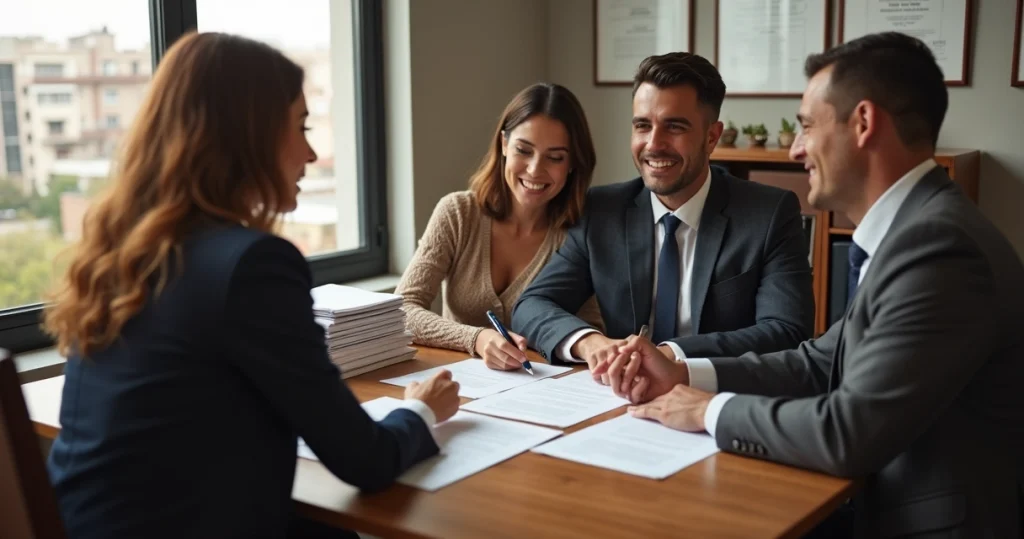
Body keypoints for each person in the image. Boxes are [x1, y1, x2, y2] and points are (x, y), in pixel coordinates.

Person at [597, 32, 1024, 538]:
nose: (797, 147)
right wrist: (682, 370)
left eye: (806, 126)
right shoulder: (918, 230)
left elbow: (849, 432)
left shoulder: (939, 249)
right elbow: (820, 362)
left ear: (863, 124)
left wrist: (708, 409)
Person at [41, 32, 460, 539]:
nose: (309, 152)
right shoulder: (253, 264)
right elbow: (365, 460)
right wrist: (419, 409)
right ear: (250, 137)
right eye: (300, 127)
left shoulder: (121, 251)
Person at [511, 52, 814, 379]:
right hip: (620, 398)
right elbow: (533, 304)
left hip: (715, 399)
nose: (654, 145)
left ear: (711, 137)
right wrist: (591, 343)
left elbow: (786, 330)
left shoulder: (769, 214)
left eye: (675, 127)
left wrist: (670, 355)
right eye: (643, 125)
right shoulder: (602, 210)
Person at [394, 82, 604, 371]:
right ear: (504, 144)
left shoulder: (580, 232)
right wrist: (476, 338)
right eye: (523, 150)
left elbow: (590, 330)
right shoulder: (457, 213)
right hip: (458, 386)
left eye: (555, 157)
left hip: (544, 389)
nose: (534, 169)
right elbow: (402, 311)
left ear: (572, 163)